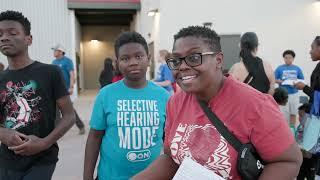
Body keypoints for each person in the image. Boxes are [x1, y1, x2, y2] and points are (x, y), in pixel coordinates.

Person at [133, 26, 302, 179]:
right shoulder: (175, 103)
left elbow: (288, 161)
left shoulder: (255, 105)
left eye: (193, 57)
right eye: (176, 60)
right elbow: (171, 158)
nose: (182, 67)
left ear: (219, 60)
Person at [83, 31, 170, 180]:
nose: (133, 62)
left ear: (148, 59)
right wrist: (87, 176)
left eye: (138, 56)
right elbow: (95, 137)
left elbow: (167, 139)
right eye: (125, 58)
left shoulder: (163, 96)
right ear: (117, 63)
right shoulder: (106, 94)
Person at [0, 10, 75, 179]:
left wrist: (44, 143)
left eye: (12, 33)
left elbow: (69, 116)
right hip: (7, 161)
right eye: (0, 34)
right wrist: (3, 133)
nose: (4, 37)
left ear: (29, 39)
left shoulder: (50, 72)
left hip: (42, 159)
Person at [295, 36, 320, 180]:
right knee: (304, 153)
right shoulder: (318, 66)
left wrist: (304, 88)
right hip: (312, 116)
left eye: (312, 47)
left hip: (316, 120)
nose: (310, 51)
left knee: (311, 155)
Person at [51, 44, 85, 135]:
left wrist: (71, 87)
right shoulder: (54, 62)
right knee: (56, 110)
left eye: (55, 50)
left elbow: (72, 74)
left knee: (69, 110)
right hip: (55, 90)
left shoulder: (67, 61)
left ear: (61, 51)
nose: (54, 52)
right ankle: (56, 130)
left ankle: (81, 126)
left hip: (65, 90)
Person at [275, 50, 304, 130]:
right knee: (283, 113)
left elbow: (302, 80)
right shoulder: (279, 68)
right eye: (286, 58)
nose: (288, 59)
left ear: (293, 58)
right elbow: (274, 79)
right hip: (283, 95)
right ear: (283, 58)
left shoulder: (297, 68)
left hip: (294, 94)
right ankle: (283, 130)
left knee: (293, 112)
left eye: (290, 58)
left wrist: (295, 82)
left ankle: (292, 130)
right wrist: (280, 81)